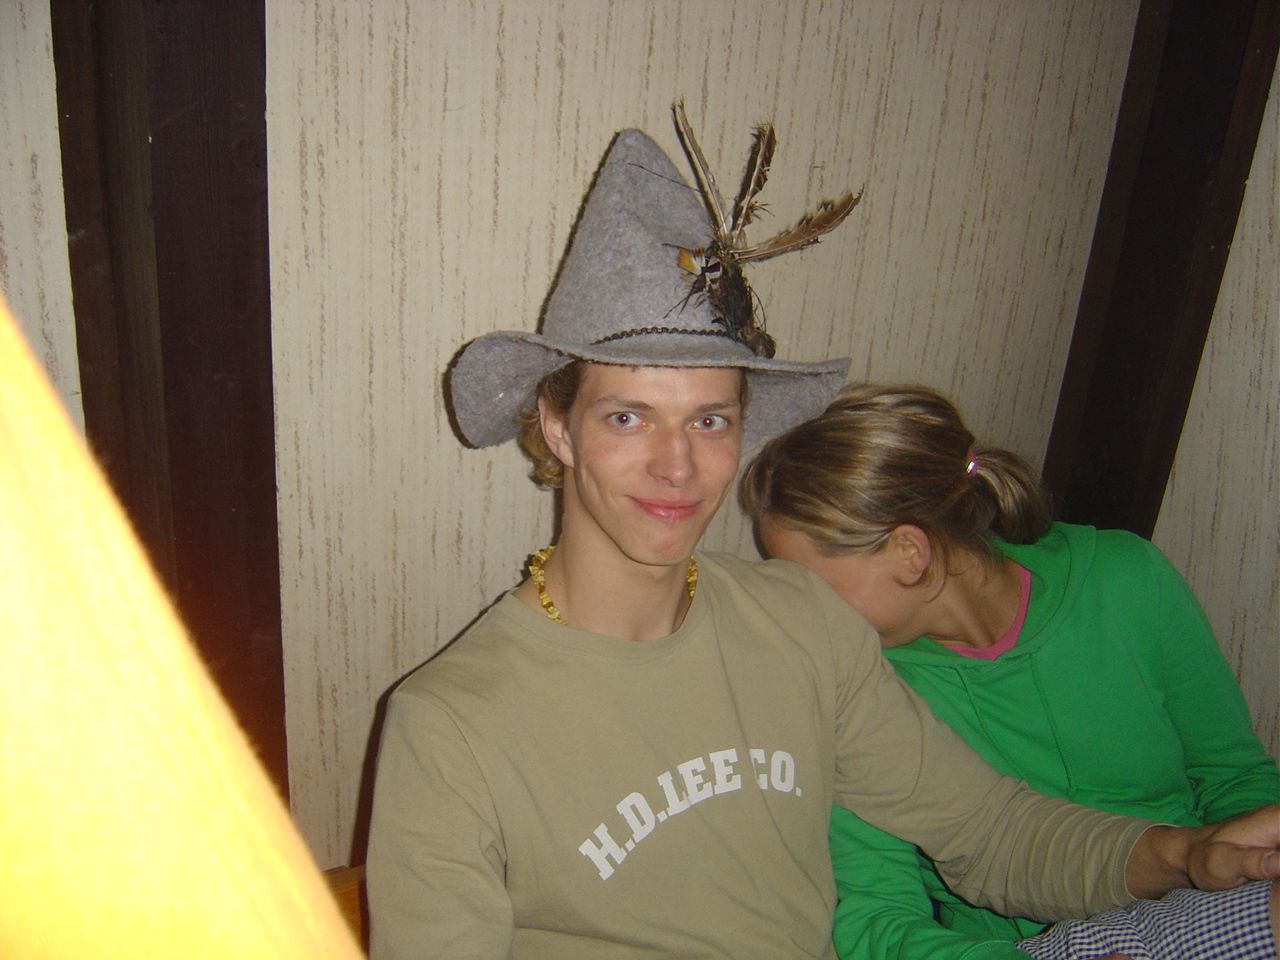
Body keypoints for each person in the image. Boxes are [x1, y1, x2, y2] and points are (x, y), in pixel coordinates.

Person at [365, 123, 1280, 960]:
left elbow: (990, 833)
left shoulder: (801, 621)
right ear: (556, 429)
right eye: (629, 416)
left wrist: (1189, 855)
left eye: (711, 420)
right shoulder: (451, 726)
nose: (677, 466)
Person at [740, 382, 1280, 960]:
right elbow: (875, 918)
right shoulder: (861, 690)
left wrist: (1244, 869)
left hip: (1204, 912)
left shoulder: (1126, 579)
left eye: (812, 587)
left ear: (909, 552)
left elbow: (1234, 779)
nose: (803, 614)